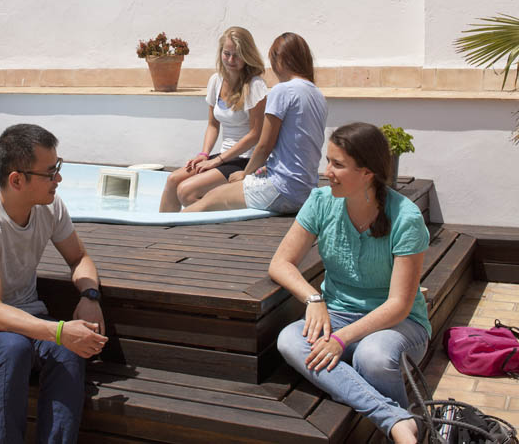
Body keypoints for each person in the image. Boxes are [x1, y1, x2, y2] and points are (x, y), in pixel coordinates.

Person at [0, 123, 108, 444]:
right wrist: (60, 330)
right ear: (17, 180)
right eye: (50, 172)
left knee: (66, 350)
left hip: (25, 319)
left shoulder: (50, 207)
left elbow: (79, 258)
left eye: (58, 167)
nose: (58, 179)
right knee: (14, 347)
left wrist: (89, 295)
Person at [272, 122, 430, 444]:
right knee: (290, 340)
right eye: (328, 161)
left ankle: (393, 422)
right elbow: (280, 263)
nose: (326, 171)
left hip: (398, 324)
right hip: (338, 313)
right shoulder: (320, 202)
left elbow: (399, 305)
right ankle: (399, 421)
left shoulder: (406, 218)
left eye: (337, 164)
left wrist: (341, 340)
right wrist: (313, 299)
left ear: (368, 173)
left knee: (371, 358)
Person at [184, 32, 327, 214]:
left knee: (208, 199)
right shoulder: (318, 94)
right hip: (306, 189)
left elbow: (264, 146)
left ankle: (169, 232)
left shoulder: (282, 91)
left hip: (282, 189)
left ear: (279, 60)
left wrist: (245, 175)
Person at [159, 26, 268, 212]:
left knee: (186, 191)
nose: (231, 60)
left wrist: (217, 161)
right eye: (227, 54)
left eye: (237, 55)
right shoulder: (215, 81)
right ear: (220, 52)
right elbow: (212, 125)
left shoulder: (255, 85)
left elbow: (255, 134)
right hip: (224, 157)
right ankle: (159, 229)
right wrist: (204, 154)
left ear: (247, 55)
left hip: (245, 159)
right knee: (172, 180)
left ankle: (216, 217)